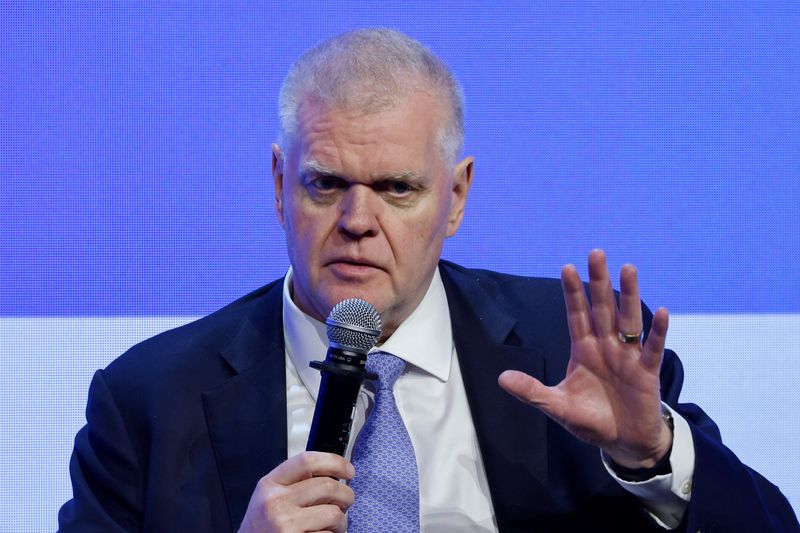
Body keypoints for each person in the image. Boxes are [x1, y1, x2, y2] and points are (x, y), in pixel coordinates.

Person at [58, 28, 798, 532]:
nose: (356, 219)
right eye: (324, 184)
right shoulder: (149, 399)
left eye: (397, 188)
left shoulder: (562, 348)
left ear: (457, 198)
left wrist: (654, 454)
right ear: (280, 182)